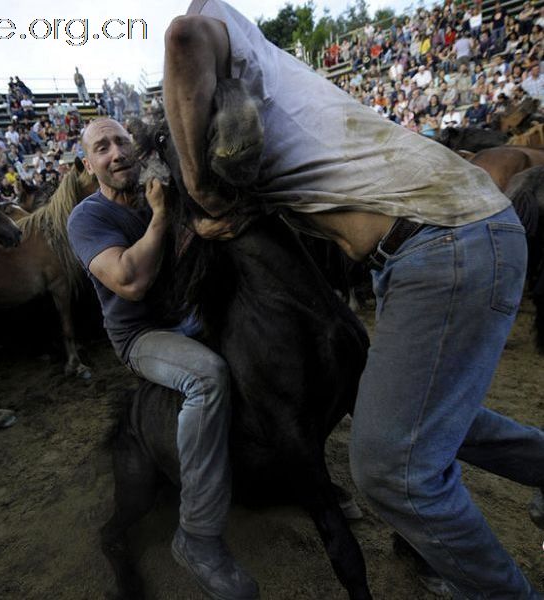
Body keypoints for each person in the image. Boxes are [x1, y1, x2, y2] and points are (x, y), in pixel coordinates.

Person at [163, 2, 544, 598]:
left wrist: (200, 188)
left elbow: (183, 37)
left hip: (440, 239)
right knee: (432, 421)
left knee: (390, 471)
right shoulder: (260, 63)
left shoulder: (209, 24)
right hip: (440, 239)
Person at [67, 118, 259, 600]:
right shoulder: (87, 218)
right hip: (143, 336)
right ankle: (197, 535)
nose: (115, 153)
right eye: (102, 148)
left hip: (192, 315)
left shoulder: (163, 193)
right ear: (89, 165)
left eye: (120, 141)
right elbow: (129, 280)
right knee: (207, 377)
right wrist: (158, 216)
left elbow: (203, 228)